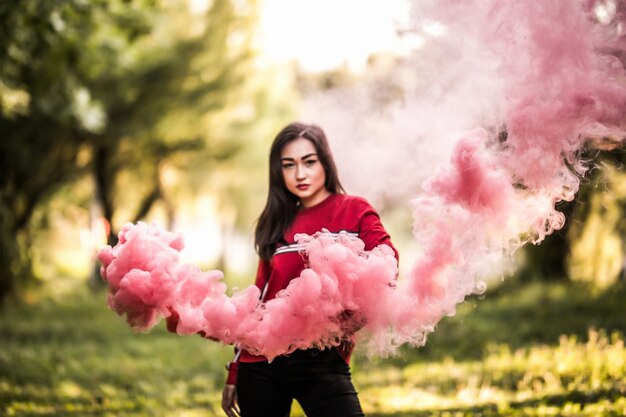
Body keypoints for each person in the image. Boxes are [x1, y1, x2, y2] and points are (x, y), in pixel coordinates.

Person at [219, 122, 399, 417]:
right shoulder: (275, 222)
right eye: (288, 165)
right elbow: (259, 300)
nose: (300, 174)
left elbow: (388, 263)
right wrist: (235, 371)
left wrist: (350, 318)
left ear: (325, 162)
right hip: (261, 364)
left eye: (309, 162)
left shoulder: (354, 209)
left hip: (322, 361)